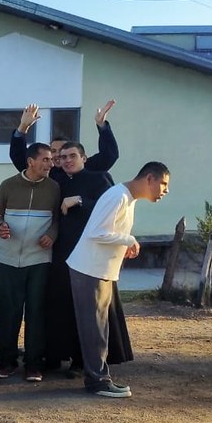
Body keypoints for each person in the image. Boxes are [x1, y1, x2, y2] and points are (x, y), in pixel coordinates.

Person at [67, 162, 170, 398]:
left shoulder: (126, 198)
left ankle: (98, 378)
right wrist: (128, 239)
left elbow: (107, 234)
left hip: (98, 270)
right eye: (163, 184)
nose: (165, 191)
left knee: (98, 327)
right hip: (89, 269)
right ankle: (97, 382)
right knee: (95, 329)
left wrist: (124, 243)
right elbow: (95, 232)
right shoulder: (118, 197)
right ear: (149, 179)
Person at [43, 141, 119, 378]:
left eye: (72, 156)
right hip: (61, 253)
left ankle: (80, 360)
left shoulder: (99, 179)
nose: (67, 160)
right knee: (58, 305)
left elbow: (112, 209)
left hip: (90, 255)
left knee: (84, 309)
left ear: (84, 158)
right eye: (62, 157)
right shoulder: (57, 181)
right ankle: (54, 356)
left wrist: (80, 200)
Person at [0, 143, 60, 382]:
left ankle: (33, 364)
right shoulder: (8, 185)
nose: (51, 164)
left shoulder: (54, 188)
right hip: (7, 258)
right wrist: (0, 227)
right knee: (8, 311)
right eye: (46, 160)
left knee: (36, 311)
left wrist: (52, 234)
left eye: (51, 160)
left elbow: (58, 220)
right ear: (31, 161)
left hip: (39, 260)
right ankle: (6, 361)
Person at [9, 100, 119, 181]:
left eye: (63, 152)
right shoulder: (45, 171)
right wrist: (23, 127)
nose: (57, 155)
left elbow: (109, 155)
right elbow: (18, 156)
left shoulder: (85, 168)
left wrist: (102, 125)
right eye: (53, 151)